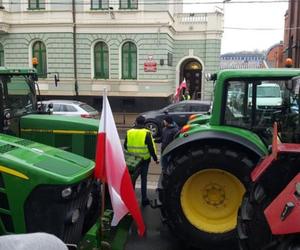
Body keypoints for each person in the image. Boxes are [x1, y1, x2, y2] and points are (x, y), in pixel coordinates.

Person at [124, 115, 159, 207]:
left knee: (132, 180)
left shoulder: (129, 132)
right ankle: (144, 200)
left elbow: (125, 146)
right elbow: (151, 147)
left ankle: (130, 199)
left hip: (133, 161)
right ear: (144, 123)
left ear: (136, 122)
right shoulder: (146, 133)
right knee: (144, 179)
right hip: (144, 160)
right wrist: (155, 159)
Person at [156, 115, 179, 190]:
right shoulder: (164, 129)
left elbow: (176, 142)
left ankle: (168, 182)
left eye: (164, 121)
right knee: (163, 167)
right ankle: (165, 177)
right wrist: (154, 140)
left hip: (170, 152)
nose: (163, 122)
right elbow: (162, 139)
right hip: (164, 151)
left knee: (169, 167)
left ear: (167, 122)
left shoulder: (175, 130)